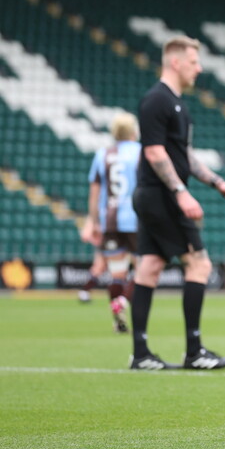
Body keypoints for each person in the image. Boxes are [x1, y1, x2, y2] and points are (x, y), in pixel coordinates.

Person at [129, 35, 225, 371]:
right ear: (175, 62)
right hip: (161, 196)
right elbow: (153, 151)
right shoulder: (156, 100)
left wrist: (218, 182)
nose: (199, 68)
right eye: (194, 62)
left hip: (156, 195)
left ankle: (141, 355)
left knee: (149, 268)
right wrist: (181, 192)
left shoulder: (178, 104)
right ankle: (194, 352)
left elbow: (184, 155)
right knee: (200, 265)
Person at [79, 111, 141, 332]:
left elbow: (94, 194)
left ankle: (118, 322)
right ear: (134, 131)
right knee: (143, 269)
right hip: (136, 220)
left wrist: (93, 222)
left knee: (117, 273)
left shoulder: (102, 154)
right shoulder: (140, 152)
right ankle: (122, 302)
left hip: (111, 222)